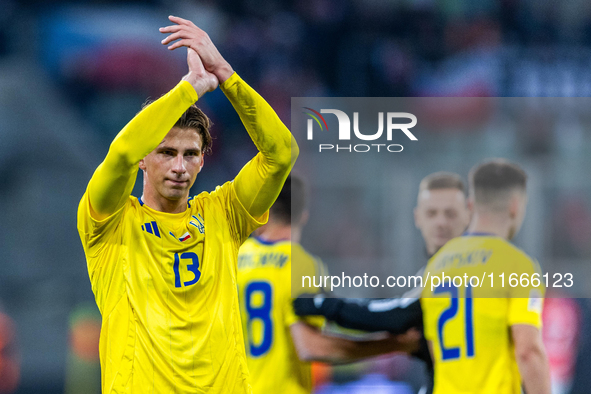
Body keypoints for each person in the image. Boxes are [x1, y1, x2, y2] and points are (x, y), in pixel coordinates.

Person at [77, 15, 296, 393]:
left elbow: (281, 153)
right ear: (145, 158)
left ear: (202, 159)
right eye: (166, 152)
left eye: (190, 154)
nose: (180, 166)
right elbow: (122, 153)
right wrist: (190, 88)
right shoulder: (109, 221)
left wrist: (226, 75)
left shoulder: (223, 213)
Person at [237, 174, 420, 394]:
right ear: (303, 216)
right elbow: (310, 347)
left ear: (261, 214)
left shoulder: (235, 259)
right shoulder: (300, 264)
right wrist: (395, 344)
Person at [293, 171, 471, 394]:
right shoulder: (461, 265)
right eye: (432, 213)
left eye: (450, 214)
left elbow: (393, 315)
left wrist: (321, 304)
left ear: (468, 215)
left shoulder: (451, 271)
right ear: (418, 218)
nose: (441, 223)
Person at [421, 159, 550, 393]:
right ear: (515, 205)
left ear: (471, 204)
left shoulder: (436, 266)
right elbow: (528, 352)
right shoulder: (517, 265)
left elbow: (434, 351)